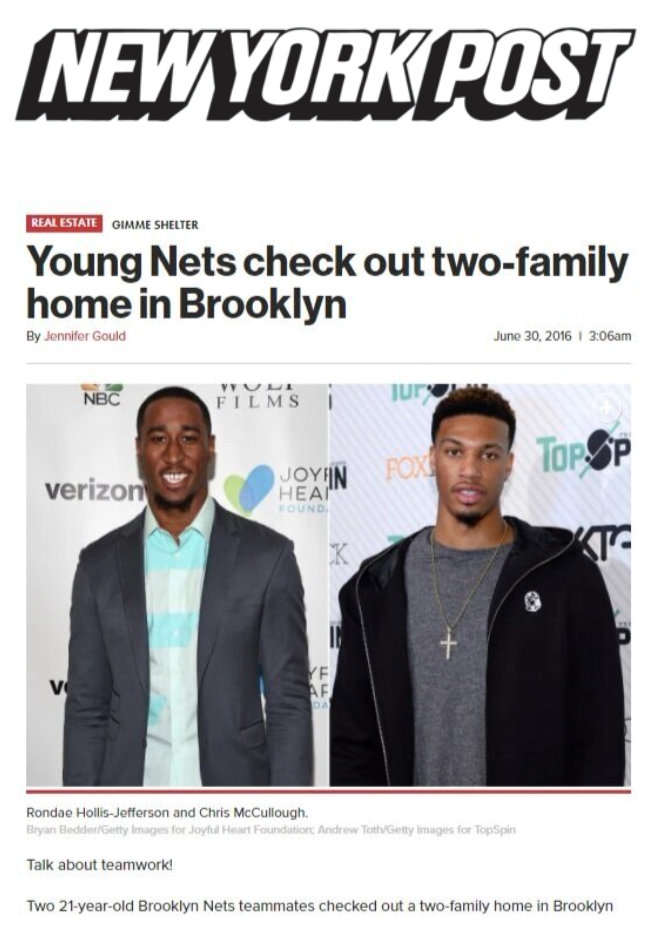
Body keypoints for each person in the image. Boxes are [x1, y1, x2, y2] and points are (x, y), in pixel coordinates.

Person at [330, 387, 625, 787]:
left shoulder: (567, 578)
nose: (470, 469)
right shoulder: (374, 588)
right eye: (454, 452)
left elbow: (600, 737)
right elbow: (352, 742)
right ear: (431, 459)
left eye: (488, 454)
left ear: (508, 464)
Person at [64, 386, 313, 786]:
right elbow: (86, 709)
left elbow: (288, 704)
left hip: (235, 802)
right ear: (139, 449)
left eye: (189, 438)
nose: (174, 454)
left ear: (210, 447)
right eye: (159, 438)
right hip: (130, 805)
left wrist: (290, 819)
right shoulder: (97, 567)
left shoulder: (268, 557)